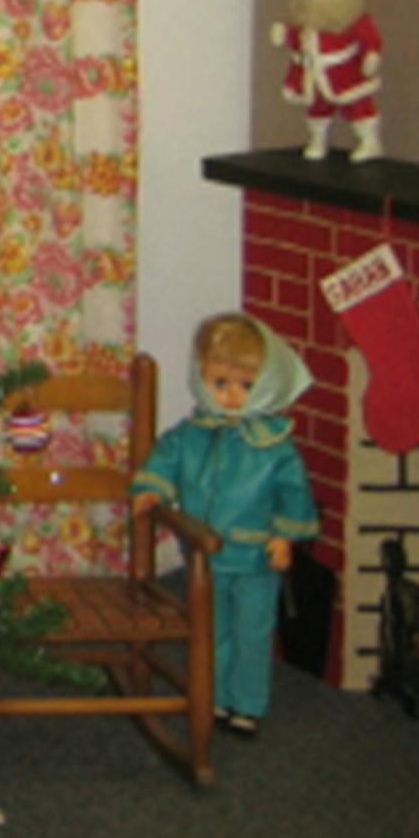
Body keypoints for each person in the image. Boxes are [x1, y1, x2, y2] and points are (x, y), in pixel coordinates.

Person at [133, 312, 319, 738]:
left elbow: (293, 491)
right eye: (221, 384)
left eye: (245, 385)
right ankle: (211, 696)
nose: (232, 396)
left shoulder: (274, 443)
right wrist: (152, 487)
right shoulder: (194, 432)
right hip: (205, 555)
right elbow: (165, 457)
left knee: (253, 632)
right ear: (202, 379)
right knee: (210, 631)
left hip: (255, 555)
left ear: (267, 382)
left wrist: (285, 535)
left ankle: (248, 703)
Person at [268, 0, 381, 161]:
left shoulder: (352, 15)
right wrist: (283, 34)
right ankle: (318, 140)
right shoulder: (305, 15)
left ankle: (369, 141)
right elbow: (297, 38)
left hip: (345, 74)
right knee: (317, 109)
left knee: (357, 107)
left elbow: (369, 38)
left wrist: (371, 55)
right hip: (313, 73)